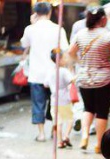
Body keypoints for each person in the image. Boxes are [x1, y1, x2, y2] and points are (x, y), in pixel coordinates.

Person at [68, 7, 110, 153]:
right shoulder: (109, 36)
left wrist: (81, 63)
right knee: (102, 112)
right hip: (103, 79)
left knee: (88, 108)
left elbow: (70, 52)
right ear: (103, 19)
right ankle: (98, 144)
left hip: (84, 78)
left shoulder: (80, 34)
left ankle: (84, 137)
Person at [21, 2, 69, 142]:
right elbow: (64, 49)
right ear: (49, 12)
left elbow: (24, 44)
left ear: (35, 13)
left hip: (36, 73)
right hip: (54, 73)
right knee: (55, 103)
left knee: (38, 103)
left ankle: (41, 134)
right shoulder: (58, 29)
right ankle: (55, 131)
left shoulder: (30, 29)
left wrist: (32, 23)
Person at [45, 50, 75, 149]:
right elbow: (71, 80)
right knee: (70, 119)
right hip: (65, 100)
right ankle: (66, 136)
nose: (66, 60)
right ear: (60, 60)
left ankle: (59, 141)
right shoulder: (64, 71)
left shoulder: (50, 71)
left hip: (54, 101)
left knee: (58, 122)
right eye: (65, 58)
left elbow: (45, 84)